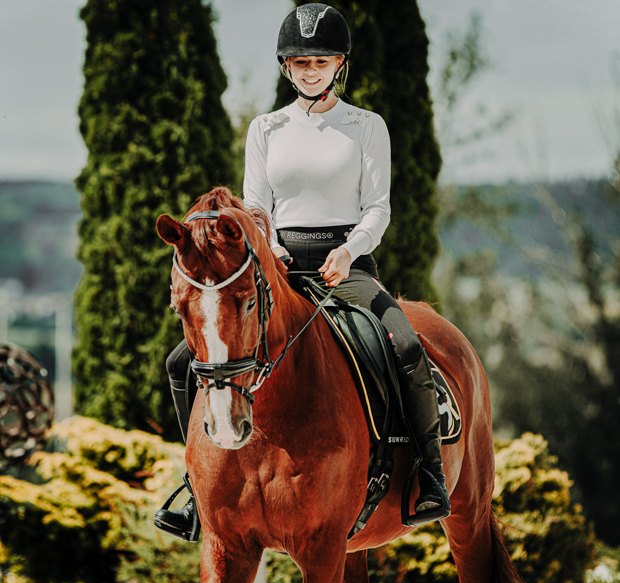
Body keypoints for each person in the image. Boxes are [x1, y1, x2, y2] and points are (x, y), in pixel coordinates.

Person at [155, 2, 450, 541]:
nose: (310, 70)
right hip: (281, 266)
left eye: (320, 60)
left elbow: (378, 208)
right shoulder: (266, 129)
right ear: (285, 67)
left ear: (340, 64)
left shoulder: (366, 126)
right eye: (299, 61)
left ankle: (429, 475)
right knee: (183, 361)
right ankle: (197, 485)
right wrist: (269, 247)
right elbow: (253, 205)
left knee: (405, 344)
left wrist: (350, 250)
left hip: (348, 264)